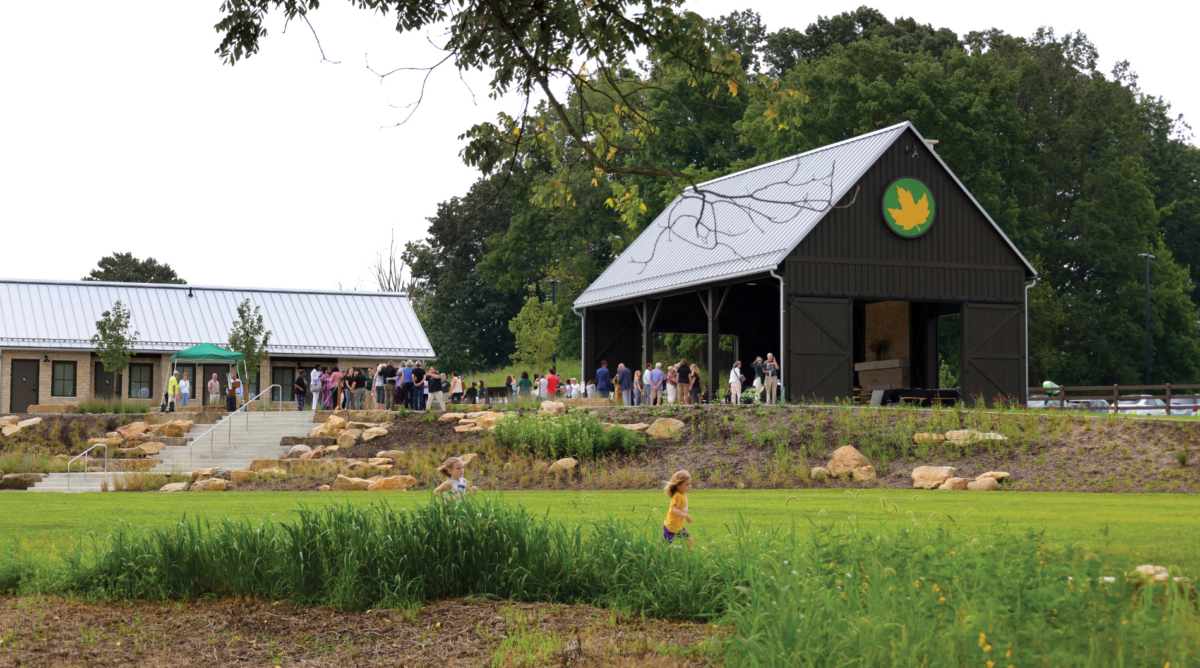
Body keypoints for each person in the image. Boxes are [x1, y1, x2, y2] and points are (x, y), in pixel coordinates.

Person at [662, 470, 694, 548]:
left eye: (689, 484)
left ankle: (687, 557)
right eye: (686, 484)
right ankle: (662, 558)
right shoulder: (677, 496)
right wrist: (685, 516)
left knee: (689, 540)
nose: (689, 486)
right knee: (666, 547)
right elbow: (675, 510)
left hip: (678, 526)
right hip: (671, 527)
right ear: (678, 485)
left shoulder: (682, 494)